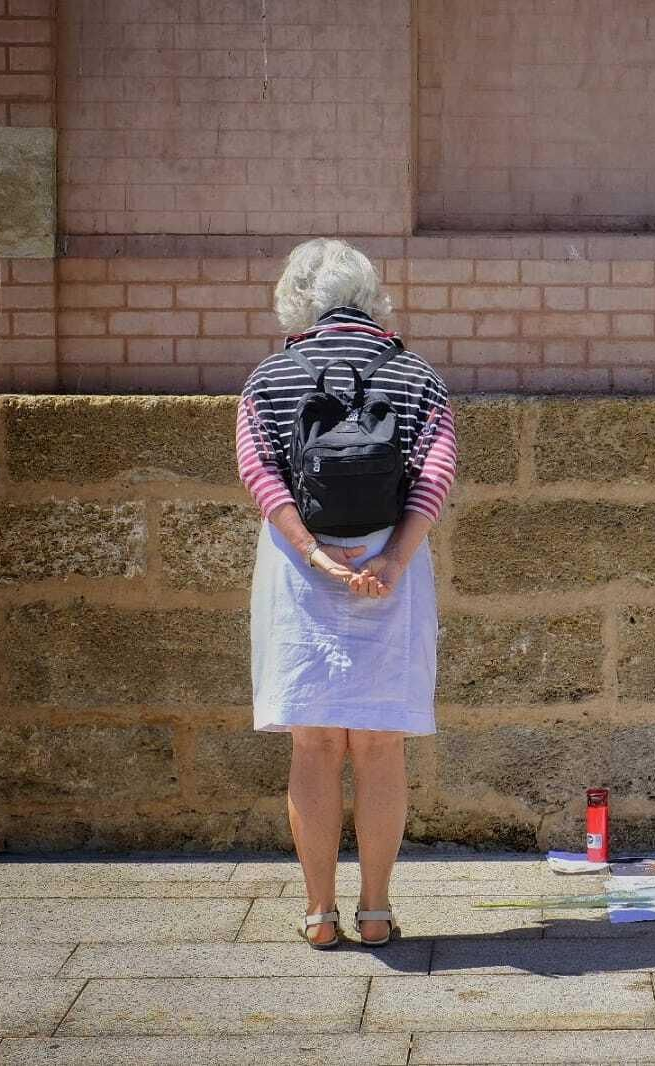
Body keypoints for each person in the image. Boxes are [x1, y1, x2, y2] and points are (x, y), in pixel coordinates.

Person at [234, 238, 457, 949]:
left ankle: (318, 913)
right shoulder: (417, 375)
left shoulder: (269, 377)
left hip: (301, 576)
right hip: (394, 566)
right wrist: (391, 557)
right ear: (372, 298)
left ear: (296, 301)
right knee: (380, 746)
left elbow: (259, 475)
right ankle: (377, 911)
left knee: (314, 744)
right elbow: (436, 475)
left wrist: (313, 556)